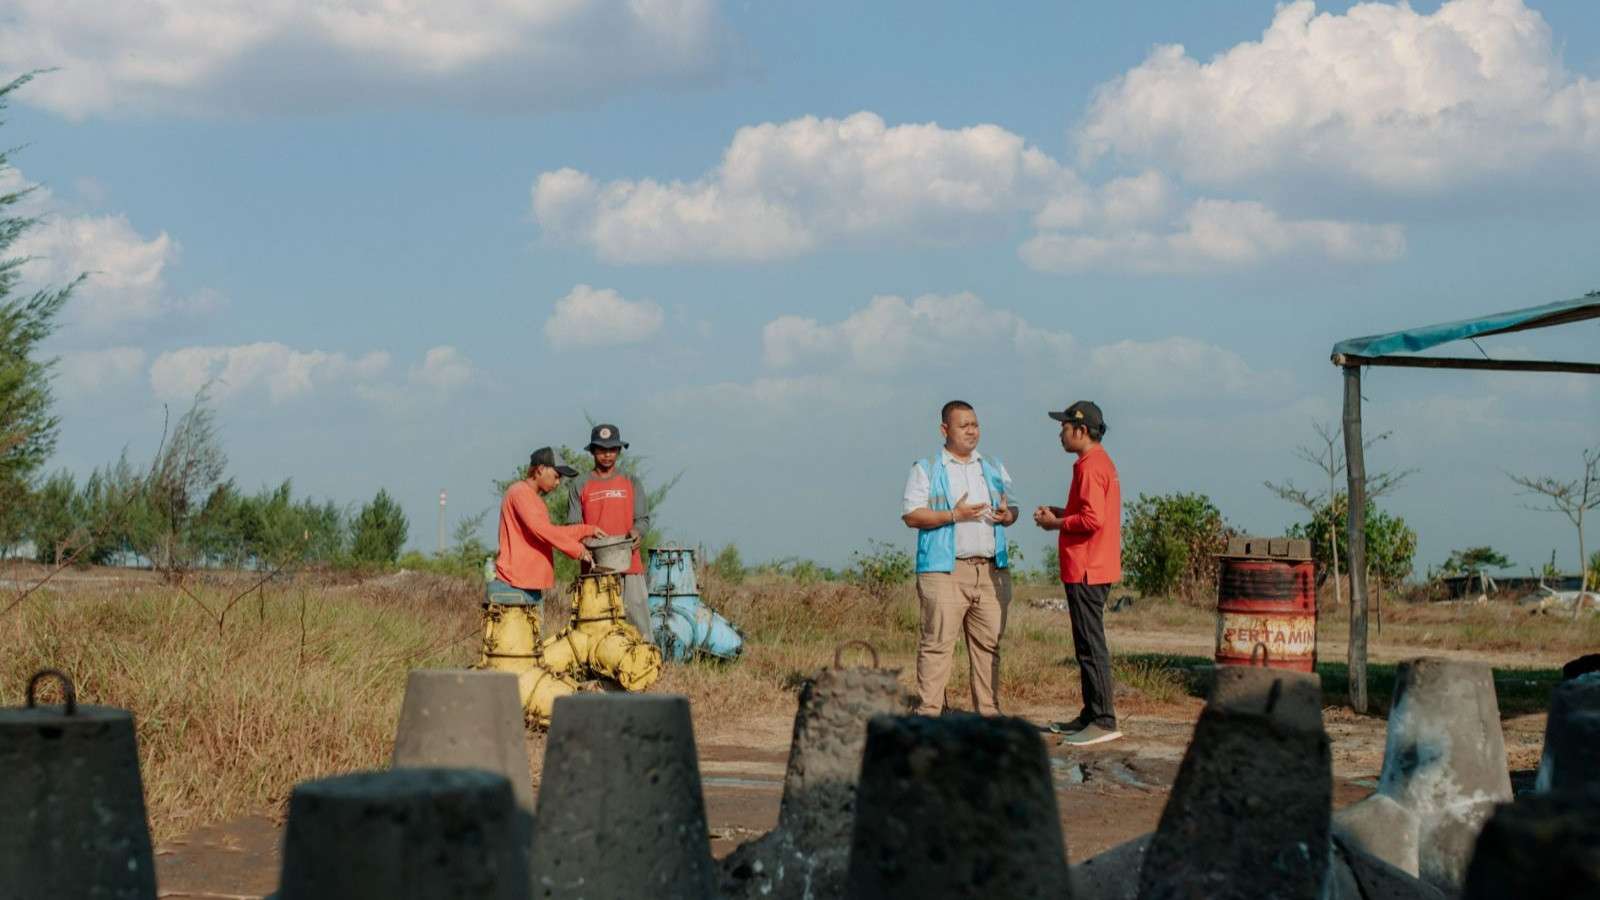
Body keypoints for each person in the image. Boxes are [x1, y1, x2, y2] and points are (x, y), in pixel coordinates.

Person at [901, 400, 1019, 716]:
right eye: (963, 425)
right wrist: (955, 514)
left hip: (991, 570)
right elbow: (912, 515)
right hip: (945, 571)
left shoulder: (992, 466)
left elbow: (1014, 509)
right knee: (937, 645)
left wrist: (1008, 515)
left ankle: (989, 714)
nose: (971, 431)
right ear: (945, 429)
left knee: (989, 647)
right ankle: (929, 713)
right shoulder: (926, 468)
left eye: (975, 424)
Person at [1034, 400, 1123, 746]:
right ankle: (1091, 713)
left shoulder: (1090, 466)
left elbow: (1092, 520)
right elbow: (1088, 511)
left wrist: (1055, 523)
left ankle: (1103, 719)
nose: (1060, 432)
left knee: (1090, 646)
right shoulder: (1096, 463)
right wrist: (1060, 512)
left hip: (1087, 567)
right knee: (1086, 643)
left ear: (1081, 430)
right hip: (1093, 565)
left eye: (1065, 426)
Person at [566, 423, 655, 643]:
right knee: (595, 624)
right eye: (601, 449)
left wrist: (638, 531)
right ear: (593, 451)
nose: (607, 454)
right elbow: (573, 526)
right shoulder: (580, 484)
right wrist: (585, 540)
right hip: (595, 568)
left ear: (619, 451)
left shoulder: (631, 481)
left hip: (629, 564)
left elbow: (643, 519)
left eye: (612, 449)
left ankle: (648, 665)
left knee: (638, 623)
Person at [488, 446, 603, 605]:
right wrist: (577, 550)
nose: (558, 483)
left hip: (526, 585)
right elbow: (541, 529)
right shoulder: (519, 492)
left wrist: (587, 530)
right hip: (514, 586)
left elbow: (549, 531)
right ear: (541, 469)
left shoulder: (531, 497)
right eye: (556, 476)